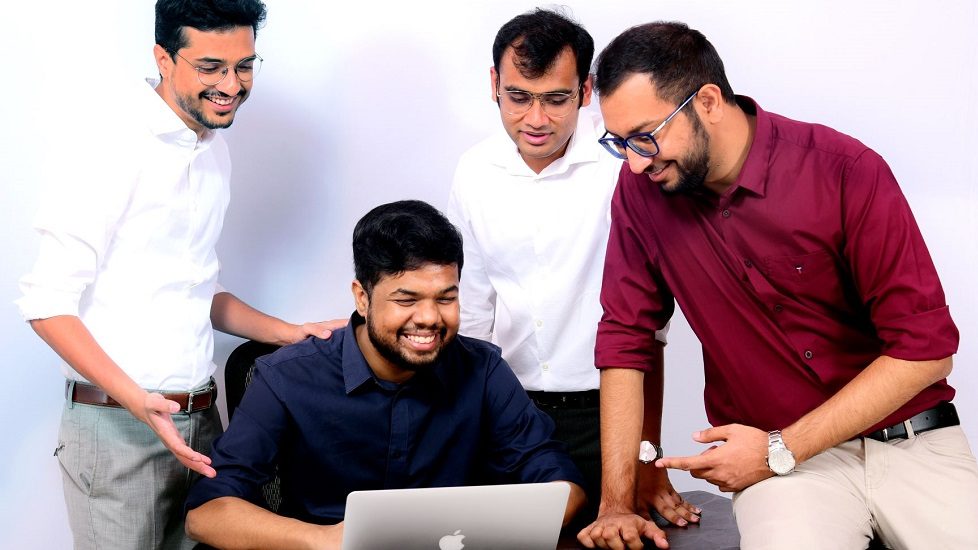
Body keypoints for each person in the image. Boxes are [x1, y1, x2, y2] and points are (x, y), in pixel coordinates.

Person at [577, 21, 978, 550]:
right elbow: (627, 338)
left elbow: (925, 351)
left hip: (913, 441)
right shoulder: (641, 194)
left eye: (646, 136)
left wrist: (779, 448)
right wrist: (617, 502)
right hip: (787, 477)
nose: (635, 162)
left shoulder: (845, 169)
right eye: (620, 142)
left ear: (708, 102)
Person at [16, 2, 342, 548]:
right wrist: (137, 400)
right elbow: (47, 304)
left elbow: (197, 289)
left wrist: (289, 333)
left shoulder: (214, 151)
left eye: (244, 66)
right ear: (163, 59)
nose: (231, 85)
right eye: (211, 67)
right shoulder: (109, 145)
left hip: (203, 422)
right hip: (119, 428)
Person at [184, 200, 586, 549]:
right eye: (406, 300)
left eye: (446, 298)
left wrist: (497, 529)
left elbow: (561, 482)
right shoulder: (286, 377)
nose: (429, 318)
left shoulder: (482, 369)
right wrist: (325, 540)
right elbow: (206, 513)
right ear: (362, 298)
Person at [447, 8, 686, 528]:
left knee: (619, 535)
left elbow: (650, 326)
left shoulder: (625, 165)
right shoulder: (473, 171)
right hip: (507, 409)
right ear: (494, 85)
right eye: (518, 97)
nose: (536, 119)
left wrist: (647, 454)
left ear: (585, 90)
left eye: (556, 99)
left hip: (607, 410)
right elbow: (473, 312)